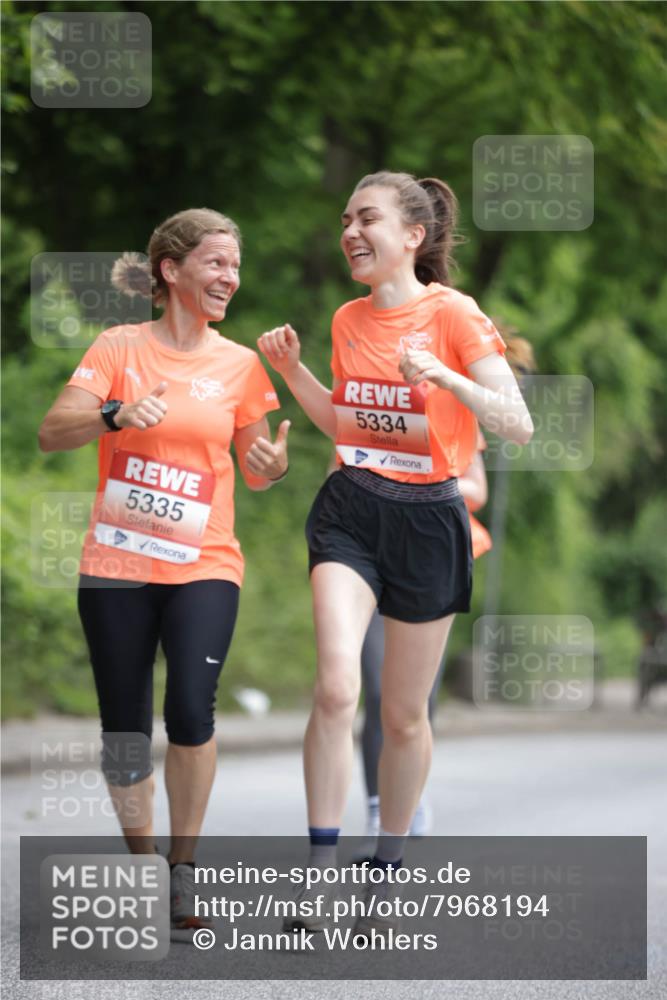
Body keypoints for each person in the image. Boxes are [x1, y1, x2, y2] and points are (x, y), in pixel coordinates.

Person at [258, 171, 533, 937]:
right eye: (344, 218)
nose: (349, 230)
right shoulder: (348, 319)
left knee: (405, 718)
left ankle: (382, 872)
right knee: (337, 689)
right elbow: (345, 425)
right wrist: (292, 372)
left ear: (412, 235)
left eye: (366, 217)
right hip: (350, 511)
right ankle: (315, 880)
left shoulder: (454, 314)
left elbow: (516, 424)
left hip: (429, 521)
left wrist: (444, 374)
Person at [38, 208, 289, 930]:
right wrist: (115, 414)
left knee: (188, 710)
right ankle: (143, 860)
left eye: (235, 266)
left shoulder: (240, 364)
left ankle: (183, 870)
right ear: (171, 271)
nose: (230, 277)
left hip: (202, 562)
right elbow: (54, 431)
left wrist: (269, 467)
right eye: (215, 263)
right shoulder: (119, 346)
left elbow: (256, 464)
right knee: (123, 729)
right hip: (116, 563)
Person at [356, 334, 536, 852]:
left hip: (430, 553)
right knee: (376, 686)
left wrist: (419, 485)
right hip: (368, 555)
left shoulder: (454, 405)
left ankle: (407, 800)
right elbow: (340, 469)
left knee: (414, 700)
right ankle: (376, 809)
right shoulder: (366, 403)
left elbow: (476, 488)